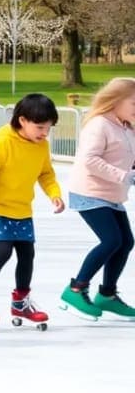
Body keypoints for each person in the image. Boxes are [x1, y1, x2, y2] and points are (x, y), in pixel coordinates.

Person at [0, 94, 63, 330]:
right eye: (40, 127)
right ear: (22, 120)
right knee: (3, 251)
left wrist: (54, 194)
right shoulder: (4, 141)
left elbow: (45, 173)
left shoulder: (42, 146)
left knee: (27, 254)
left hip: (22, 209)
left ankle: (20, 301)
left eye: (48, 129)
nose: (44, 133)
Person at [59, 78, 135, 320]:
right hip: (89, 191)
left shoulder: (127, 126)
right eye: (134, 102)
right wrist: (123, 175)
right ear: (116, 101)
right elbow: (89, 160)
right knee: (111, 240)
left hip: (112, 193)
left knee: (126, 242)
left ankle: (107, 295)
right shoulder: (98, 125)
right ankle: (75, 289)